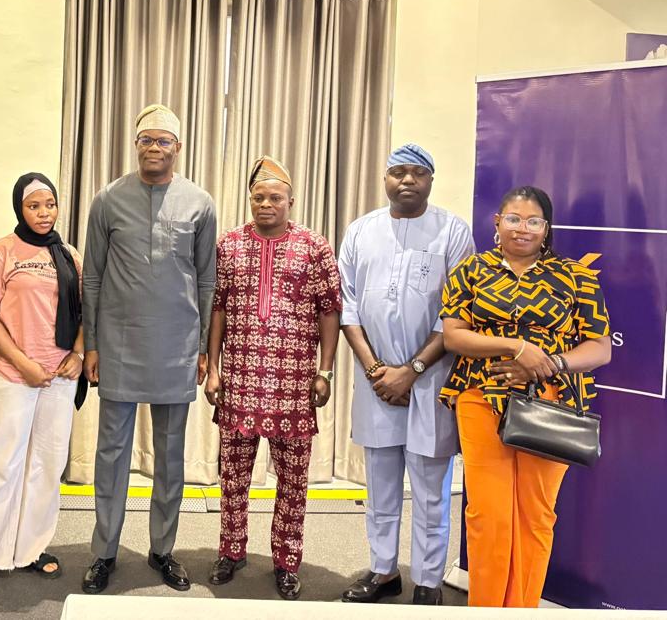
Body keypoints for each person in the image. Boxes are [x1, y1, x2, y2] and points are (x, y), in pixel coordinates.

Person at [439, 185, 611, 607]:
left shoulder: (574, 276)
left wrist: (548, 363)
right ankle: (486, 610)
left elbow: (600, 347)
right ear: (497, 223)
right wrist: (516, 348)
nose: (523, 228)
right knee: (487, 514)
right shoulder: (471, 271)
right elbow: (453, 336)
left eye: (534, 221)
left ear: (546, 228)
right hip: (481, 396)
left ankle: (522, 609)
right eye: (514, 219)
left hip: (552, 402)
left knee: (537, 514)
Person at [81, 103, 217, 594]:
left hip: (177, 345)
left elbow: (206, 280)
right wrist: (92, 344)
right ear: (135, 144)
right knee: (111, 453)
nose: (153, 148)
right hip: (118, 344)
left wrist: (203, 347)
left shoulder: (200, 203)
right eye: (146, 140)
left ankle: (163, 549)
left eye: (162, 141)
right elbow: (92, 276)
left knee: (171, 454)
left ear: (178, 148)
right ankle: (104, 552)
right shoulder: (107, 200)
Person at [338, 144, 475, 606]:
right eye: (399, 172)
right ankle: (383, 571)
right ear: (385, 179)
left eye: (418, 172)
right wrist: (377, 370)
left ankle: (429, 580)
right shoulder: (360, 231)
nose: (408, 180)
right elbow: (348, 306)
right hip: (375, 383)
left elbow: (456, 313)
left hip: (432, 381)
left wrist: (411, 371)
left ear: (431, 180)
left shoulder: (453, 231)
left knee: (431, 489)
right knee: (380, 486)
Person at [204, 156, 341, 600]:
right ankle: (231, 551)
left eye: (275, 198)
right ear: (250, 199)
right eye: (258, 197)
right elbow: (217, 308)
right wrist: (213, 368)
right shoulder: (228, 245)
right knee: (233, 476)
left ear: (290, 202)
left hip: (293, 385)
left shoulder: (314, 247)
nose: (266, 204)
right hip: (240, 381)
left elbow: (330, 310)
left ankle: (286, 561)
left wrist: (324, 371)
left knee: (293, 481)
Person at [0, 172, 84, 596]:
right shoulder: (0, 253)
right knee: (0, 463)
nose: (44, 213)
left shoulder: (69, 255)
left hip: (58, 377)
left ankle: (29, 548)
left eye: (50, 204)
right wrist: (23, 363)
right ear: (19, 209)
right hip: (12, 374)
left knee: (46, 465)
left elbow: (87, 309)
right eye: (34, 206)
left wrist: (78, 353)